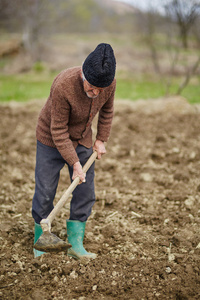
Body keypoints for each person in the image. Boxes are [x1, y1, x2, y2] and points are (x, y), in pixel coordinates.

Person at [32, 43, 116, 259]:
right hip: (51, 138)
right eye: (91, 87)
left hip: (82, 139)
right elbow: (58, 130)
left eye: (100, 89)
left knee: (85, 190)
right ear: (83, 72)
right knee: (45, 189)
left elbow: (107, 110)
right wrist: (75, 163)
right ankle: (40, 241)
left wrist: (101, 139)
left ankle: (75, 243)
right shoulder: (63, 84)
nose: (96, 92)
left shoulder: (108, 84)